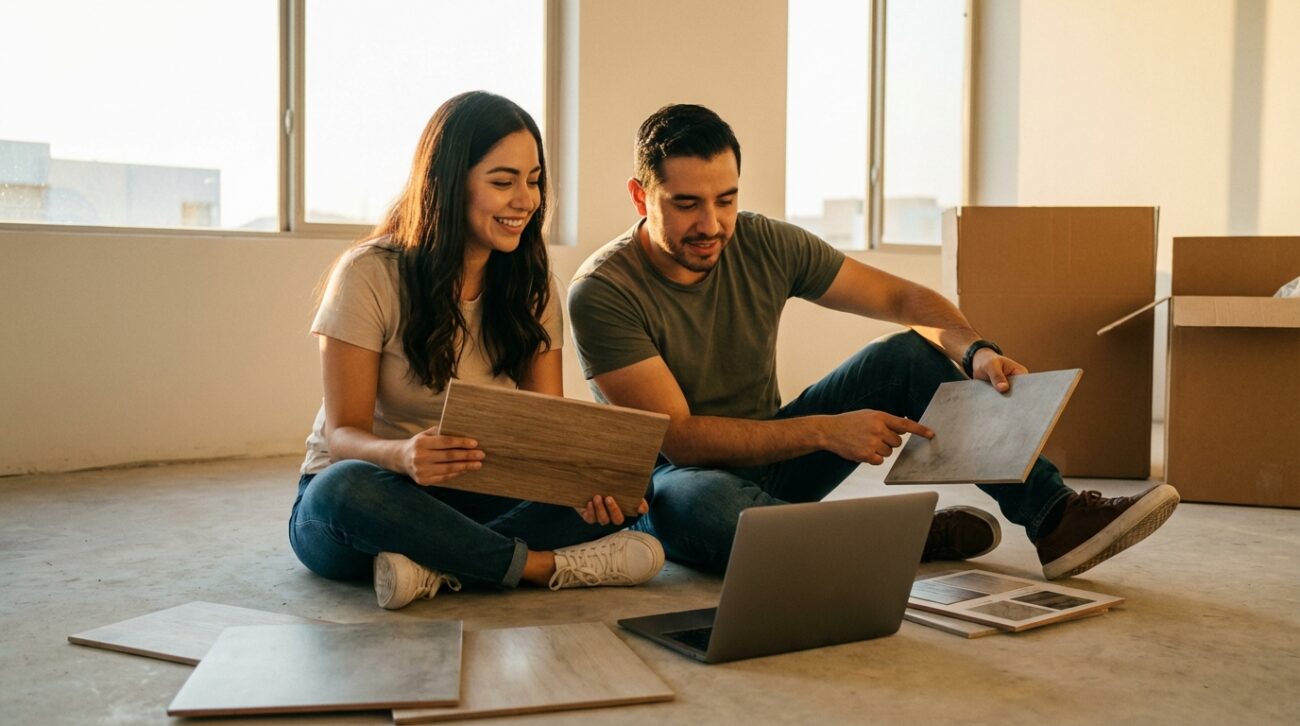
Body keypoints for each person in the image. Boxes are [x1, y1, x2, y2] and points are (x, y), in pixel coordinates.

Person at [567, 103, 1179, 581]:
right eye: (686, 204)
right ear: (639, 195)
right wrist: (825, 430)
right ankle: (901, 540)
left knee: (910, 354)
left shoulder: (764, 242)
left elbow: (901, 301)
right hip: (679, 484)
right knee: (703, 508)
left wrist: (974, 351)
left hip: (776, 463)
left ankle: (1054, 517)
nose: (711, 224)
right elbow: (678, 438)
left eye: (726, 200)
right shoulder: (602, 290)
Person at [289, 91, 664, 610]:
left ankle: (436, 568)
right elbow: (342, 433)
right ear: (448, 184)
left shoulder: (532, 288)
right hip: (375, 492)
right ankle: (538, 566)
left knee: (627, 489)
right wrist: (403, 454)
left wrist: (589, 481)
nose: (526, 200)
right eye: (503, 181)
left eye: (533, 181)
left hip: (478, 495)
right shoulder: (369, 274)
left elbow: (544, 429)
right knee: (342, 491)